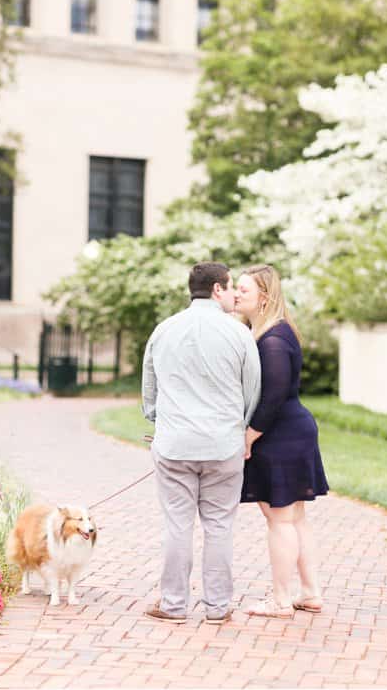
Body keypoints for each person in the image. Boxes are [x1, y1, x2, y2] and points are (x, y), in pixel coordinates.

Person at [141, 262, 262, 625]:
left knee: (178, 525)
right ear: (216, 289)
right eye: (229, 288)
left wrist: (159, 421)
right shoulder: (238, 334)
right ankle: (218, 606)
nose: (233, 296)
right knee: (220, 526)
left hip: (174, 445)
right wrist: (237, 427)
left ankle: (174, 604)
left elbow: (150, 391)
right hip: (223, 447)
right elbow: (251, 391)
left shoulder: (163, 331)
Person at [234, 264, 329, 619]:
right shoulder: (270, 332)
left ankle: (281, 600)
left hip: (281, 436)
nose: (237, 293)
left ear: (264, 296)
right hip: (290, 433)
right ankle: (310, 593)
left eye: (244, 289)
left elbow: (272, 399)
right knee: (294, 519)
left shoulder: (273, 340)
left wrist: (247, 438)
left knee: (281, 520)